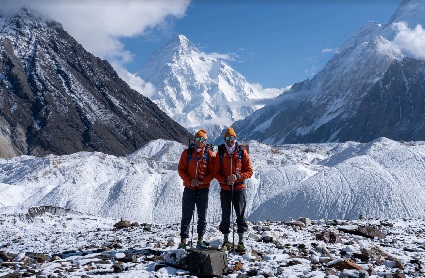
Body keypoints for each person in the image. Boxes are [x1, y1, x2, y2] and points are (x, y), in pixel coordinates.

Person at [214, 127, 253, 254]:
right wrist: (225, 180)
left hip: (239, 188)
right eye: (227, 138)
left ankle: (241, 242)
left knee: (240, 215)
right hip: (226, 189)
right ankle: (226, 241)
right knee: (225, 215)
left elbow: (249, 171)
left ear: (235, 139)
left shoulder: (242, 152)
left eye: (232, 138)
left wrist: (238, 176)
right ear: (225, 139)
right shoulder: (220, 152)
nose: (230, 141)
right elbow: (215, 171)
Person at [177, 129, 215, 249]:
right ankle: (183, 241)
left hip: (203, 188)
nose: (200, 141)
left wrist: (202, 181)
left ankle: (200, 240)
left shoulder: (210, 155)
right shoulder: (186, 153)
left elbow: (213, 172)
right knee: (186, 215)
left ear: (205, 141)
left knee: (202, 215)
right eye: (198, 139)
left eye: (202, 139)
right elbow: (181, 169)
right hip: (189, 188)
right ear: (194, 140)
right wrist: (190, 181)